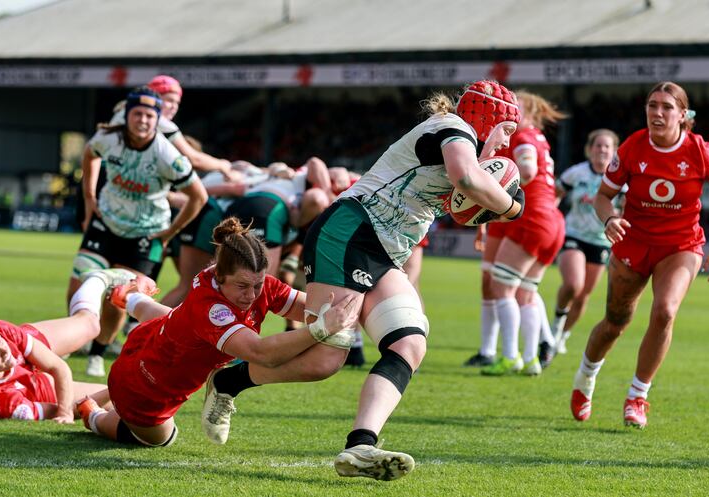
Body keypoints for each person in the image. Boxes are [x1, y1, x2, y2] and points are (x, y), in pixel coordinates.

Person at [200, 80, 525, 481]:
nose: (506, 143)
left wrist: (482, 214)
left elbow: (461, 193)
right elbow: (467, 179)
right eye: (507, 130)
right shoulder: (454, 127)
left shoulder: (460, 142)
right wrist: (510, 206)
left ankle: (360, 446)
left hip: (384, 252)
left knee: (409, 343)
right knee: (325, 359)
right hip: (350, 232)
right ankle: (230, 379)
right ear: (487, 116)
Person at [76, 218, 360, 447]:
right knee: (163, 438)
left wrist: (359, 294)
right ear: (220, 277)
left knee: (179, 321)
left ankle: (130, 298)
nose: (251, 295)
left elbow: (307, 305)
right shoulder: (211, 309)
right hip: (144, 389)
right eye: (242, 286)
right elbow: (262, 354)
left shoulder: (241, 279)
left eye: (258, 284)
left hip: (152, 340)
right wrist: (322, 327)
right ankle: (93, 415)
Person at [570, 81, 709, 429]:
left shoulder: (701, 152)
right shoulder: (633, 147)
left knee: (665, 311)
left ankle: (637, 396)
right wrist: (609, 219)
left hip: (681, 245)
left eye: (667, 107)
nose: (658, 113)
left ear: (683, 114)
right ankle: (585, 379)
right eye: (652, 105)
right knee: (614, 324)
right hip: (633, 244)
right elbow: (604, 196)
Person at [67, 86, 208, 378]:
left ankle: (98, 351)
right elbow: (89, 153)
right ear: (127, 115)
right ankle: (76, 338)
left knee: (121, 295)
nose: (142, 120)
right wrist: (90, 198)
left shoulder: (167, 154)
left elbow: (199, 196)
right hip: (106, 223)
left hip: (147, 233)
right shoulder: (108, 137)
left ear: (157, 121)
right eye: (137, 114)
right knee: (79, 282)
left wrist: (171, 231)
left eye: (149, 115)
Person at [0, 269, 139, 422]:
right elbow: (54, 409)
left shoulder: (3, 333)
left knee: (90, 325)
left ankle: (98, 278)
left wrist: (65, 412)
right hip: (34, 387)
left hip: (26, 352)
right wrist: (65, 411)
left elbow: (57, 366)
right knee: (123, 397)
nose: (4, 350)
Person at [478, 91, 566, 377]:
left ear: (528, 112)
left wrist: (500, 190)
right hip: (552, 221)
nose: (509, 112)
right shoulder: (540, 138)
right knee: (526, 293)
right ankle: (531, 359)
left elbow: (527, 170)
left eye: (515, 107)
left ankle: (510, 356)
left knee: (502, 289)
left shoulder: (525, 137)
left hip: (531, 219)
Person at [542, 129, 622, 365]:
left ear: (614, 151)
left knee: (583, 296)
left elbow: (627, 207)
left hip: (601, 241)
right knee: (573, 285)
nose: (602, 150)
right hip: (573, 234)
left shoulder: (619, 179)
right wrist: (549, 217)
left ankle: (561, 336)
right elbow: (554, 194)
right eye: (598, 145)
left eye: (607, 146)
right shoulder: (576, 173)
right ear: (590, 149)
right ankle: (554, 326)